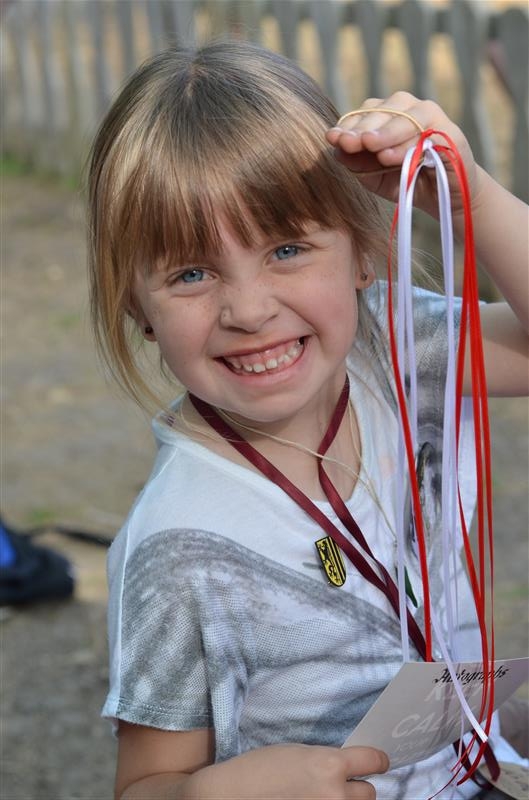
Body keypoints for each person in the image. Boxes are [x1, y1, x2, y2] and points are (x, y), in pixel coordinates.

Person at [87, 40, 529, 800]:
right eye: (191, 272)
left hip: (475, 765)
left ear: (362, 254)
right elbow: (145, 785)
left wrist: (472, 200)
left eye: (287, 249)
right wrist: (208, 794)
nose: (249, 310)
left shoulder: (388, 345)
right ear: (137, 307)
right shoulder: (178, 548)